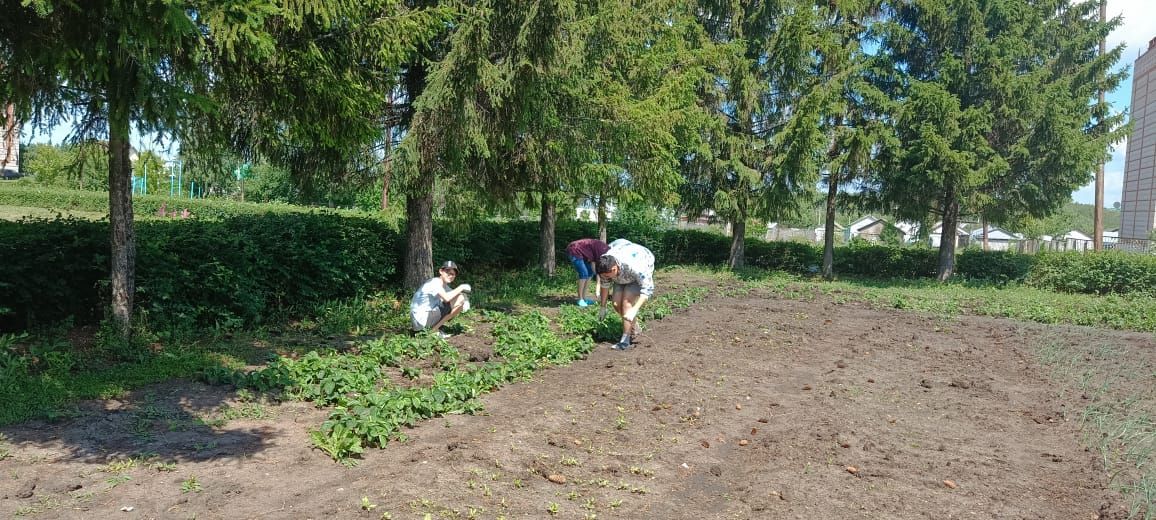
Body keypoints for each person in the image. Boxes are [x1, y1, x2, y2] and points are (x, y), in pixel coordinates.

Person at [595, 239, 655, 351]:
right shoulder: (604, 264)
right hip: (621, 274)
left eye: (609, 276)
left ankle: (625, 340)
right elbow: (605, 285)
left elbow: (647, 289)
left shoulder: (637, 266)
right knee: (616, 303)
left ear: (614, 268)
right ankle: (634, 327)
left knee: (626, 304)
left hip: (639, 267)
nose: (607, 278)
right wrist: (603, 307)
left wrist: (634, 309)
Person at [410, 260, 471, 338]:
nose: (450, 275)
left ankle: (432, 328)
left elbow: (457, 298)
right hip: (421, 318)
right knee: (460, 298)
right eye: (447, 272)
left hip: (419, 321)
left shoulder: (444, 286)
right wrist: (461, 287)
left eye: (453, 274)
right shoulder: (435, 282)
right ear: (441, 271)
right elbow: (447, 298)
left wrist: (464, 301)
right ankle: (434, 330)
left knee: (460, 300)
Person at [565, 238, 610, 307]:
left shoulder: (606, 251)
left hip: (581, 253)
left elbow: (594, 266)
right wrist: (599, 275)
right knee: (584, 273)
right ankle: (580, 299)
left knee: (590, 273)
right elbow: (593, 264)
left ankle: (584, 297)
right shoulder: (603, 252)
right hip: (574, 249)